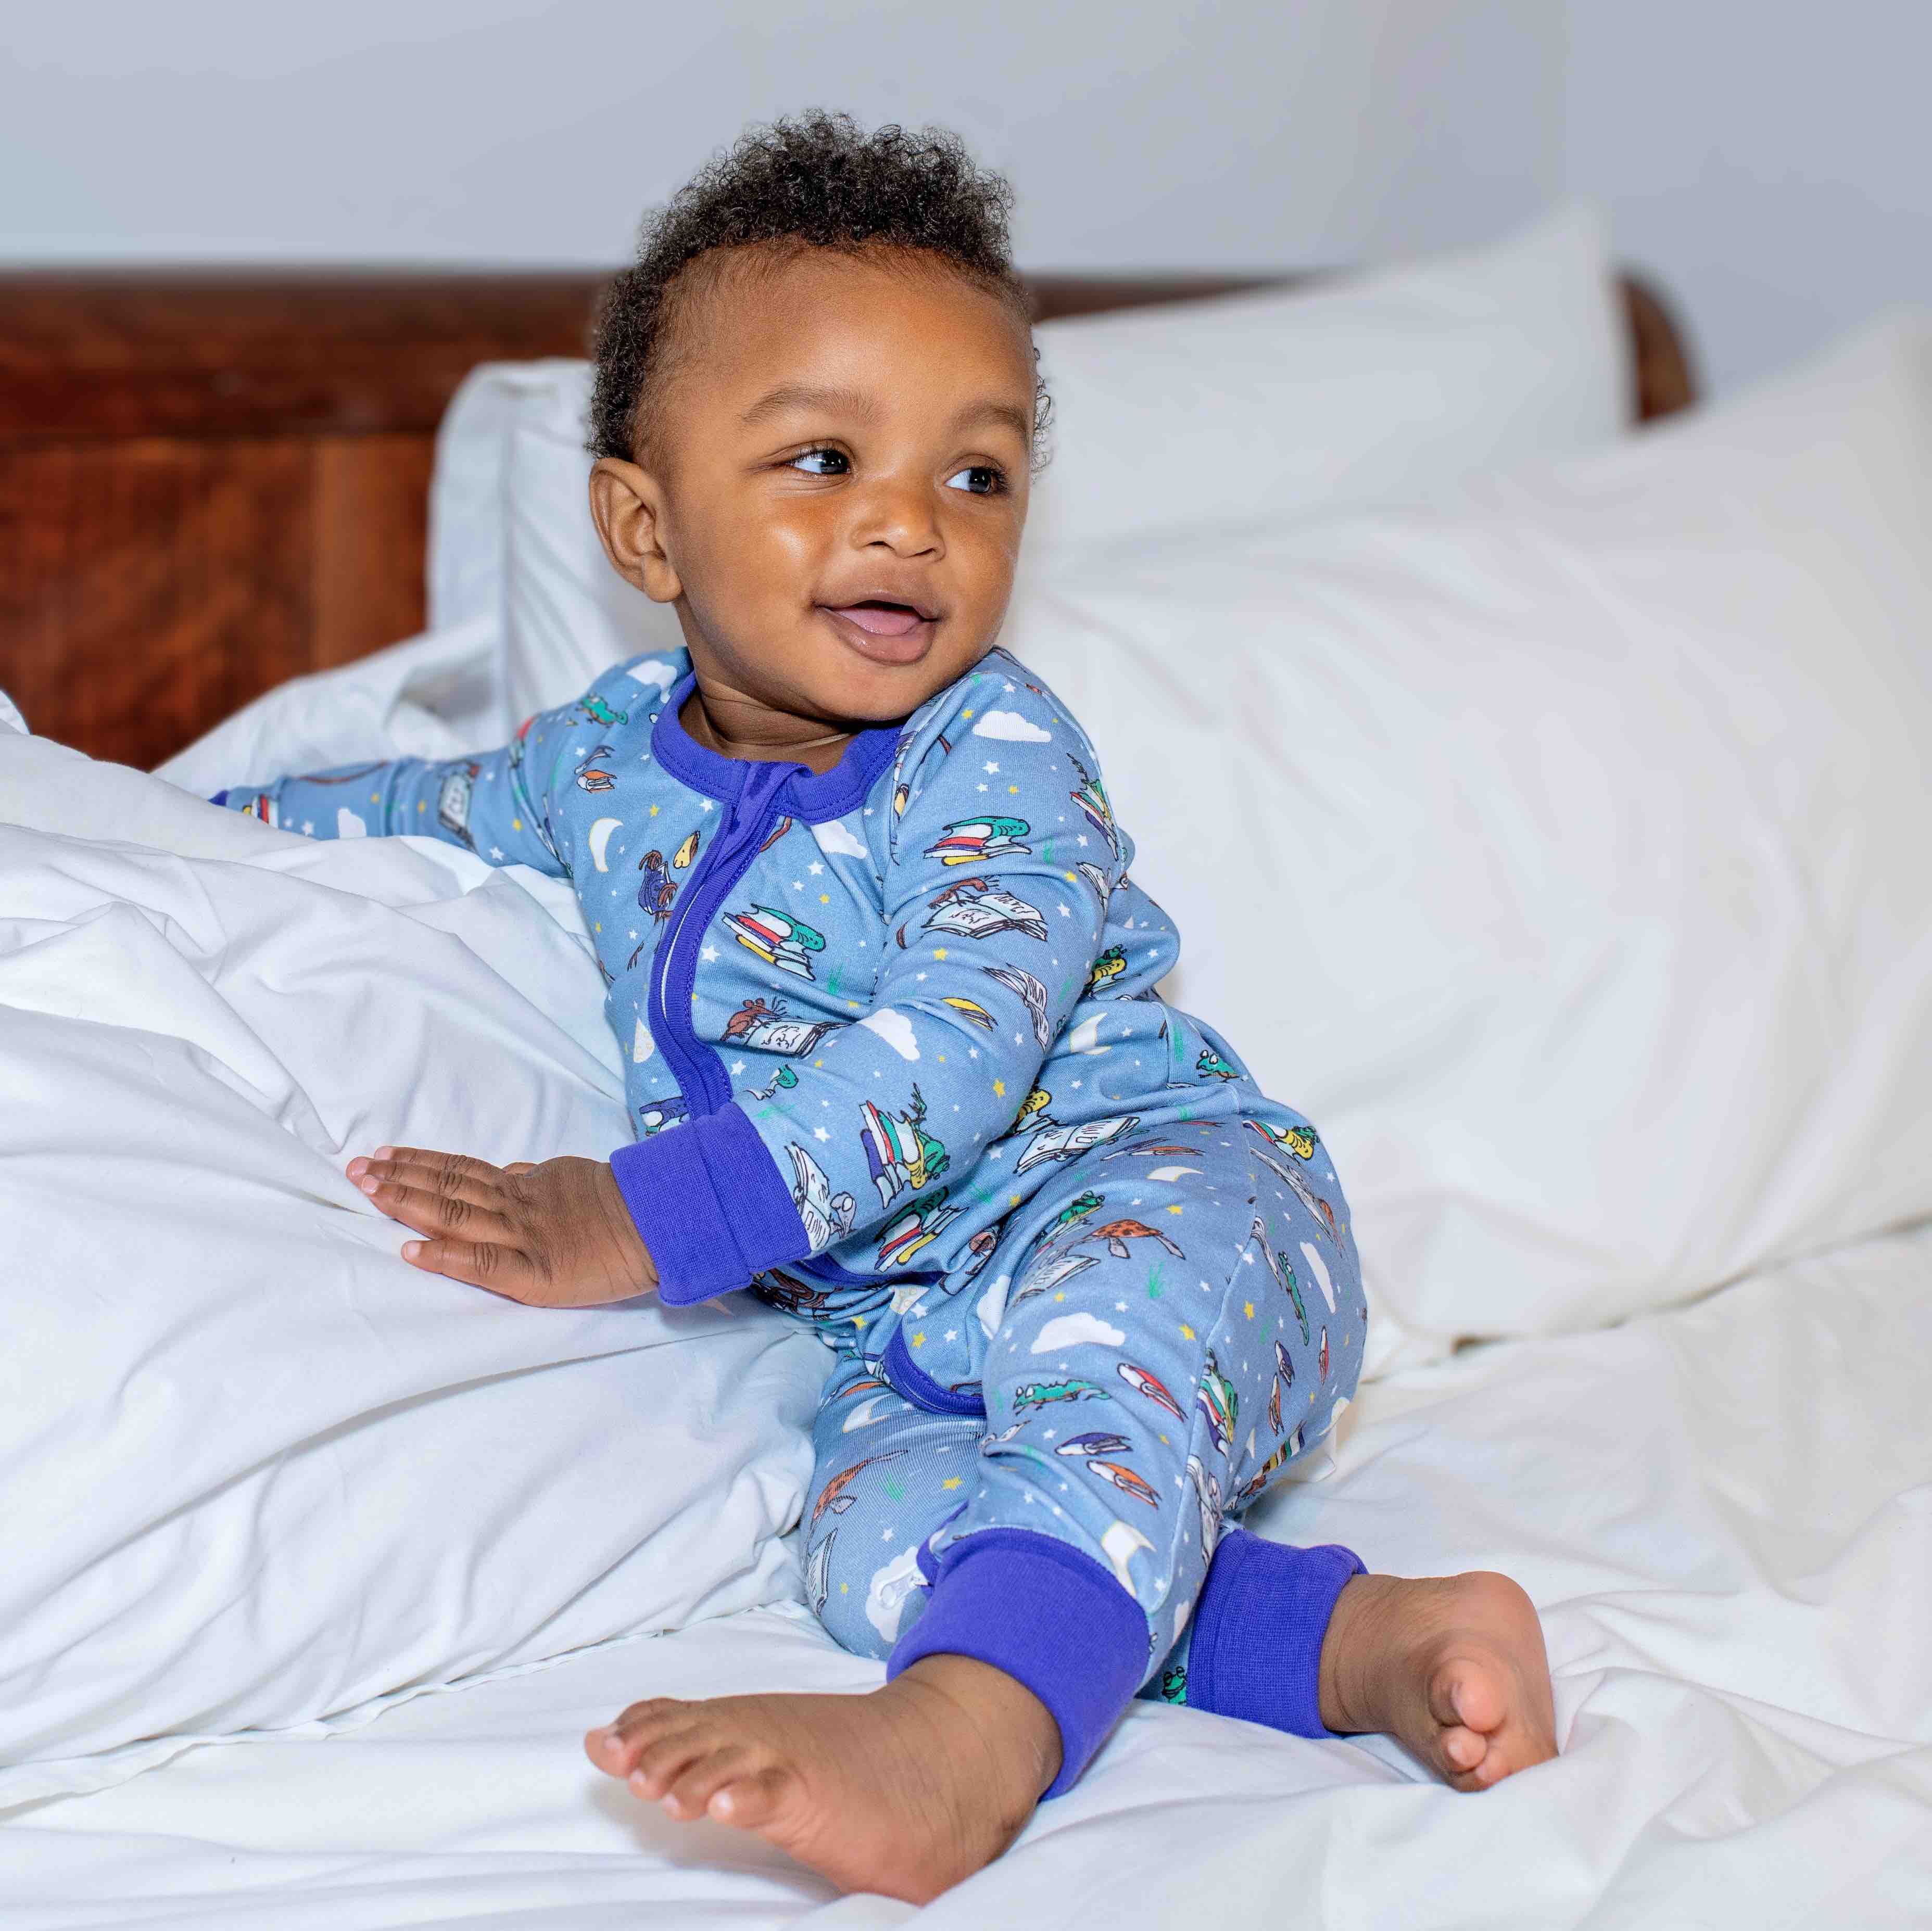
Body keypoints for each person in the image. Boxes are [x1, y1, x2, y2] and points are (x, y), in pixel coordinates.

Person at [216, 113, 1556, 1904]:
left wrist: (639, 1216)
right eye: (827, 457)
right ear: (646, 525)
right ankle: (1357, 1643)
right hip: (900, 1325)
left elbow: (952, 1056)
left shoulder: (998, 762)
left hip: (1168, 1207)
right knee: (859, 1540)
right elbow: (398, 815)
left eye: (977, 477)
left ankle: (969, 1742)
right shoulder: (597, 763)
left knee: (1102, 1371)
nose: (911, 523)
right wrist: (150, 821)